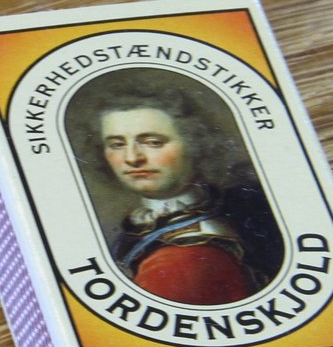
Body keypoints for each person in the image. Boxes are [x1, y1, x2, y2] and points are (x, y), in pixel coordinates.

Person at [90, 86, 284, 306]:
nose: (132, 158)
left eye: (154, 143)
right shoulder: (153, 220)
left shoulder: (185, 258)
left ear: (195, 145)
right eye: (117, 145)